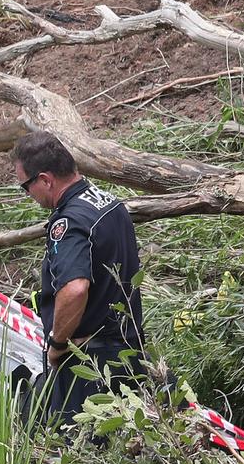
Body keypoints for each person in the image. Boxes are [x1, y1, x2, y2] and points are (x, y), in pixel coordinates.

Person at [11, 131, 146, 423]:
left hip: (91, 367)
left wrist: (58, 345)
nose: (28, 195)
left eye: (26, 186)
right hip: (128, 352)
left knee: (75, 452)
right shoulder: (107, 202)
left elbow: (74, 288)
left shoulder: (69, 222)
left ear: (45, 180)